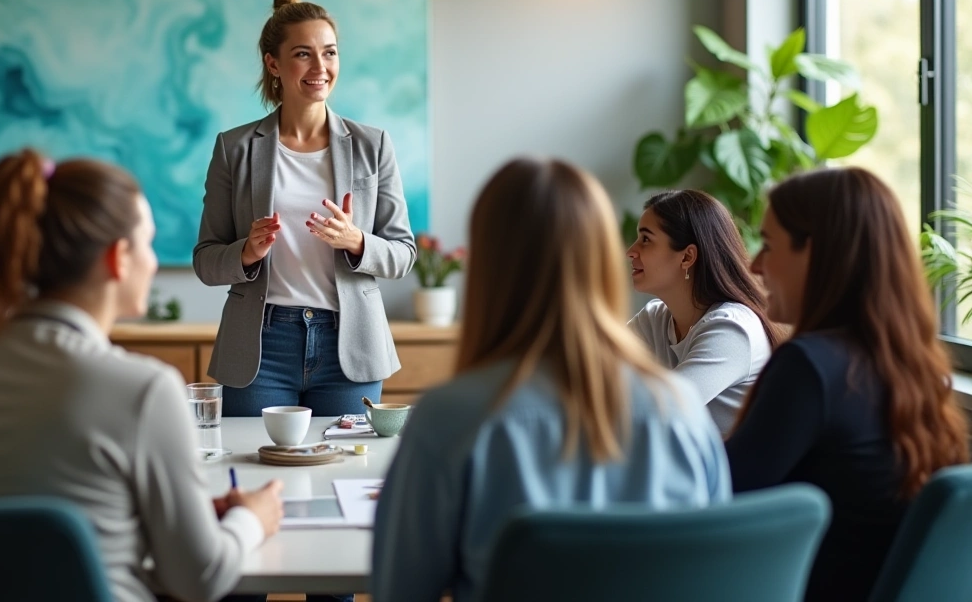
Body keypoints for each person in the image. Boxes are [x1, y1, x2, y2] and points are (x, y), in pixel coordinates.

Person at [0, 150, 284, 602]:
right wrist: (253, 520)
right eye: (148, 243)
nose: (153, 262)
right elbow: (199, 578)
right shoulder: (143, 389)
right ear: (119, 258)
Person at [372, 158, 729, 602]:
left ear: (489, 265)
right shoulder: (680, 409)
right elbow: (713, 573)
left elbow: (400, 590)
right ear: (599, 256)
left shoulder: (450, 417)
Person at [726, 168, 969, 601]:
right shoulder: (912, 364)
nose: (754, 265)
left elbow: (718, 500)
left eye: (769, 243)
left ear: (816, 254)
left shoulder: (809, 366)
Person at [194, 0, 416, 418]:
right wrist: (246, 252)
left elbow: (403, 256)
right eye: (303, 54)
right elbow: (205, 261)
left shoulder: (373, 146)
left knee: (345, 474)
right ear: (273, 63)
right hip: (261, 346)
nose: (320, 68)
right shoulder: (234, 148)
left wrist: (356, 241)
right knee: (258, 470)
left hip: (350, 345)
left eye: (329, 53)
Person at [626, 190, 782, 435]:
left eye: (646, 240)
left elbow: (658, 411)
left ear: (687, 256)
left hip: (735, 473)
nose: (631, 251)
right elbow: (592, 366)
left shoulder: (732, 329)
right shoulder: (655, 319)